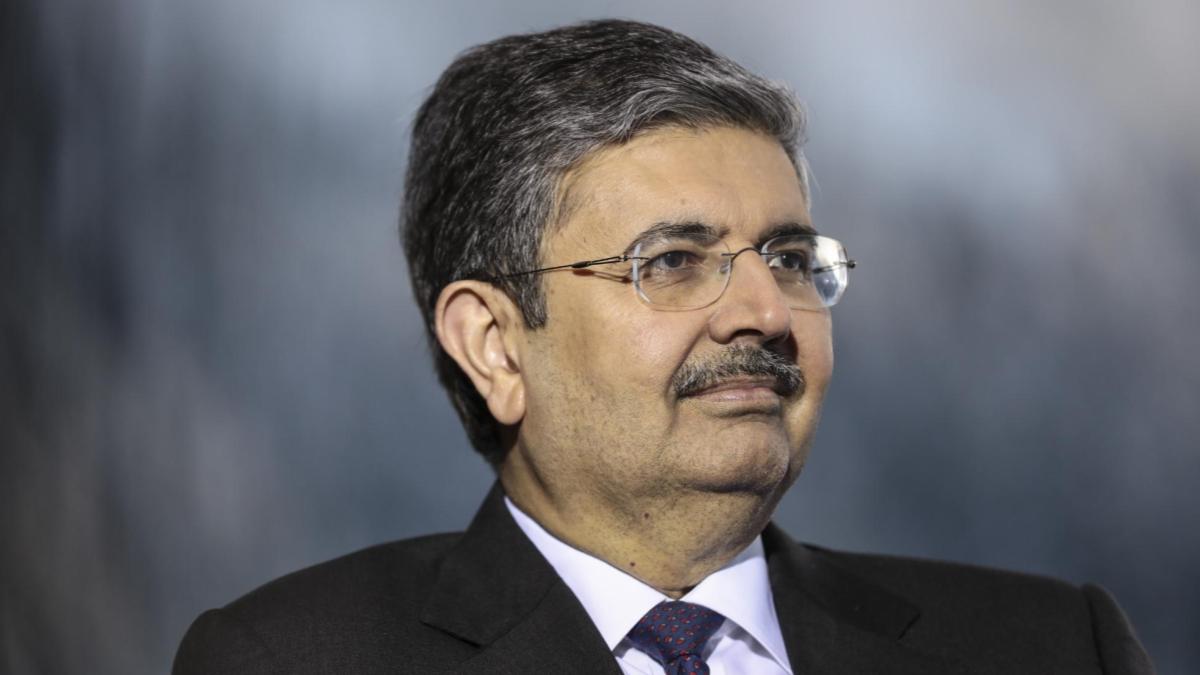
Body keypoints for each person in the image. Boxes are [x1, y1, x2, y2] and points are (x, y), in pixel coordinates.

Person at [173, 19, 1154, 674]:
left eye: (788, 257)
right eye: (674, 262)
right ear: (494, 345)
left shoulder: (1056, 648)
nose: (765, 311)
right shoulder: (291, 659)